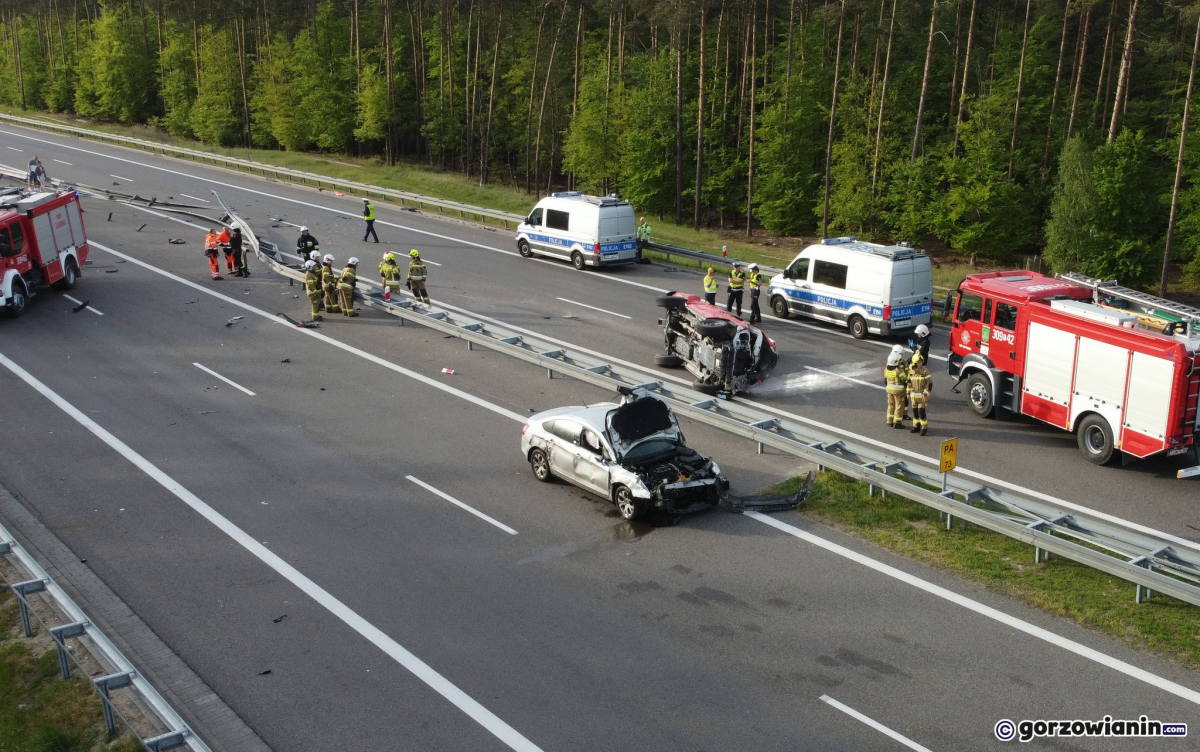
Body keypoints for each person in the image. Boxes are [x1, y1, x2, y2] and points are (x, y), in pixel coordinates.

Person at [884, 346, 909, 429]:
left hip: (889, 390)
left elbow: (885, 380)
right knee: (899, 406)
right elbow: (904, 380)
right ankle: (897, 422)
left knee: (890, 405)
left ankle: (889, 421)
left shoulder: (887, 369)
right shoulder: (899, 370)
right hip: (899, 391)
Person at [908, 352, 933, 436]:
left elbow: (929, 384)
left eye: (921, 362)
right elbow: (909, 383)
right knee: (915, 413)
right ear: (915, 363)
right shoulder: (911, 372)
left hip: (922, 397)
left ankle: (924, 428)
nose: (920, 363)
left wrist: (925, 395)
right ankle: (916, 426)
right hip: (914, 397)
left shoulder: (926, 372)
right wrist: (908, 393)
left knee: (921, 413)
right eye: (919, 362)